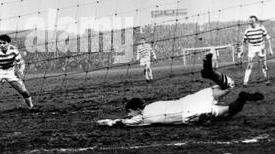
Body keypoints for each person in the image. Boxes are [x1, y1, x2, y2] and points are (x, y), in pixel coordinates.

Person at [97, 54, 263, 127]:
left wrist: (107, 121)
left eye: (129, 112)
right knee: (230, 85)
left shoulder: (144, 116)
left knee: (226, 113)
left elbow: (124, 122)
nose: (129, 115)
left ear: (135, 109)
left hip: (190, 112)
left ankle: (242, 99)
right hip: (190, 99)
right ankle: (212, 74)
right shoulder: (154, 104)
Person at [0, 34, 34, 117]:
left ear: (8, 43)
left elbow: (21, 62)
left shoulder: (14, 50)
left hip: (10, 71)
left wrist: (21, 70)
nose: (1, 45)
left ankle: (31, 107)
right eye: (0, 43)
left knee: (23, 91)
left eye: (4, 43)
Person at [242, 15, 273, 87]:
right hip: (252, 47)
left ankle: (267, 80)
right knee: (249, 65)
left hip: (261, 47)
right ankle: (245, 82)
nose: (251, 22)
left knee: (264, 64)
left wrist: (270, 49)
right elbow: (243, 41)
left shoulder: (261, 29)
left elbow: (268, 38)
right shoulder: (247, 31)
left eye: (252, 21)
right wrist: (242, 51)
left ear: (256, 21)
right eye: (250, 21)